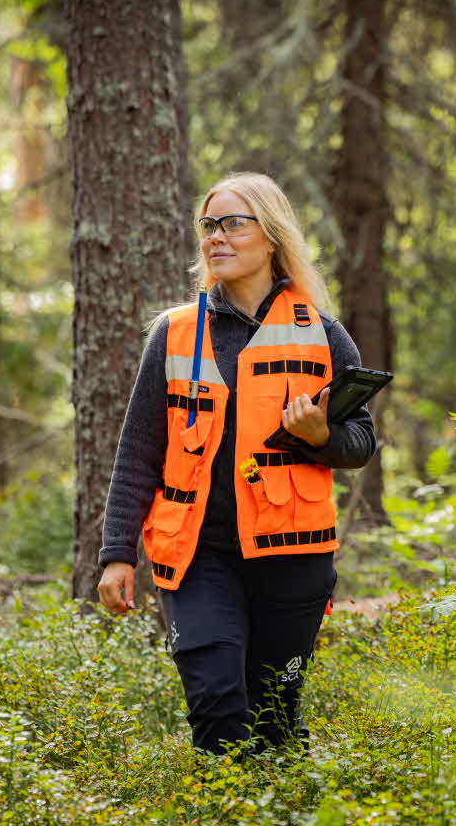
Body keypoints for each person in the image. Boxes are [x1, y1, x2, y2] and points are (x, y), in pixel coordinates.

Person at [97, 172, 376, 756]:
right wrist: (118, 553)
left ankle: (287, 804)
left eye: (232, 224)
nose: (215, 238)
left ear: (271, 236)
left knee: (274, 711)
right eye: (208, 226)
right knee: (218, 703)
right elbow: (138, 452)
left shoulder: (323, 335)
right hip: (199, 554)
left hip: (293, 553)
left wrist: (320, 436)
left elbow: (360, 444)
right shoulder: (174, 335)